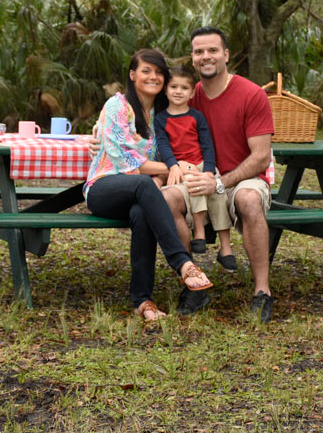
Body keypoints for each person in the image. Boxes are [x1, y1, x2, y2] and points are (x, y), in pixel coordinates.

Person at [85, 49, 213, 321]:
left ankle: (142, 300)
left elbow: (165, 152)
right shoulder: (117, 106)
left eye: (158, 72)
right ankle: (184, 265)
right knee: (145, 185)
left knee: (142, 212)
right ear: (132, 75)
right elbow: (126, 161)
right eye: (146, 71)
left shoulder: (162, 113)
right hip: (104, 188)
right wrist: (173, 167)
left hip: (142, 192)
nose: (153, 76)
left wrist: (172, 168)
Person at [163, 26, 276, 322]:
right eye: (199, 51)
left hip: (239, 179)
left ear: (225, 55)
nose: (206, 56)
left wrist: (220, 182)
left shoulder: (251, 94)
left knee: (250, 200)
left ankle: (262, 292)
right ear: (192, 57)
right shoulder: (185, 96)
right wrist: (100, 128)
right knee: (166, 200)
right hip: (196, 178)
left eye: (213, 50)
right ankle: (193, 283)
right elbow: (142, 119)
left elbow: (261, 156)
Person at [153, 66, 236, 271]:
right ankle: (198, 232)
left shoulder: (197, 116)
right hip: (181, 167)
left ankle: (226, 247)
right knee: (194, 183)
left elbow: (207, 144)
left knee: (218, 193)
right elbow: (163, 146)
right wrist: (172, 166)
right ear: (166, 90)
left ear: (192, 93)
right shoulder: (161, 119)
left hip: (202, 164)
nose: (178, 91)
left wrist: (209, 170)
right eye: (173, 86)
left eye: (184, 87)